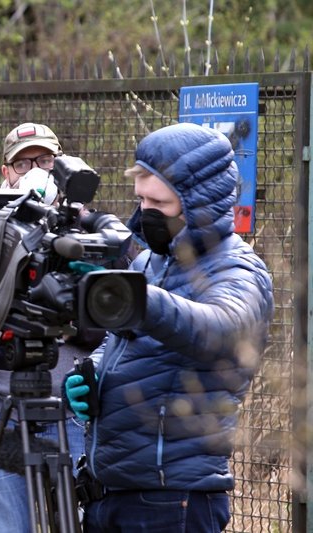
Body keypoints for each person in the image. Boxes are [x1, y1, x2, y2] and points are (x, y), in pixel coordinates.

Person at [65, 122, 274, 532]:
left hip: (172, 498)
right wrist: (90, 375)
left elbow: (222, 331)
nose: (146, 212)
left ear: (198, 203)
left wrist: (135, 297)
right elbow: (121, 344)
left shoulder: (237, 268)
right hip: (110, 491)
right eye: (141, 199)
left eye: (159, 202)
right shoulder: (150, 261)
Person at [0, 122, 92, 533]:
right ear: (6, 172)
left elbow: (114, 318)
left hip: (72, 412)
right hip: (5, 411)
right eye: (23, 163)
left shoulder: (89, 229)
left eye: (44, 161)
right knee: (7, 524)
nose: (34, 171)